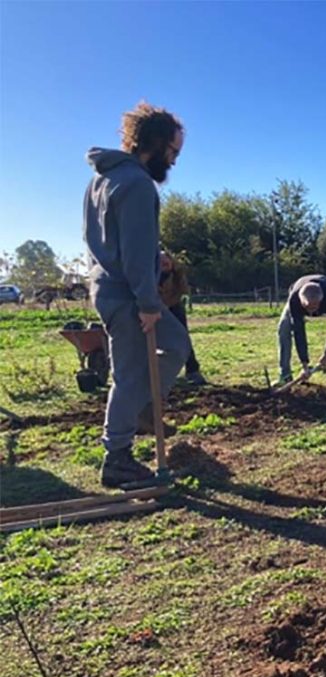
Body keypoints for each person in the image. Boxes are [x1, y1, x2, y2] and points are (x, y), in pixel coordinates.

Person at [83, 101, 191, 488]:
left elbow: (113, 238)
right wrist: (148, 302)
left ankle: (143, 407)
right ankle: (118, 458)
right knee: (128, 377)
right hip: (127, 294)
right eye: (173, 151)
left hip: (109, 286)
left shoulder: (103, 180)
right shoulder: (137, 184)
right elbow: (130, 252)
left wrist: (153, 255)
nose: (174, 161)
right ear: (156, 143)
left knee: (176, 344)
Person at [277, 274, 326, 384]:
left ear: (321, 300)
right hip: (296, 297)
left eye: (314, 307)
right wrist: (304, 364)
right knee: (283, 327)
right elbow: (298, 331)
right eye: (308, 308)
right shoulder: (294, 300)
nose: (311, 312)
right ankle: (285, 375)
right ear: (302, 301)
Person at [159, 252, 207, 386]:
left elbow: (183, 290)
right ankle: (158, 374)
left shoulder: (177, 275)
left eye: (167, 262)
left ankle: (193, 371)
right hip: (153, 309)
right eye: (161, 262)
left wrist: (167, 306)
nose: (165, 264)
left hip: (173, 307)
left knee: (183, 337)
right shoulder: (149, 275)